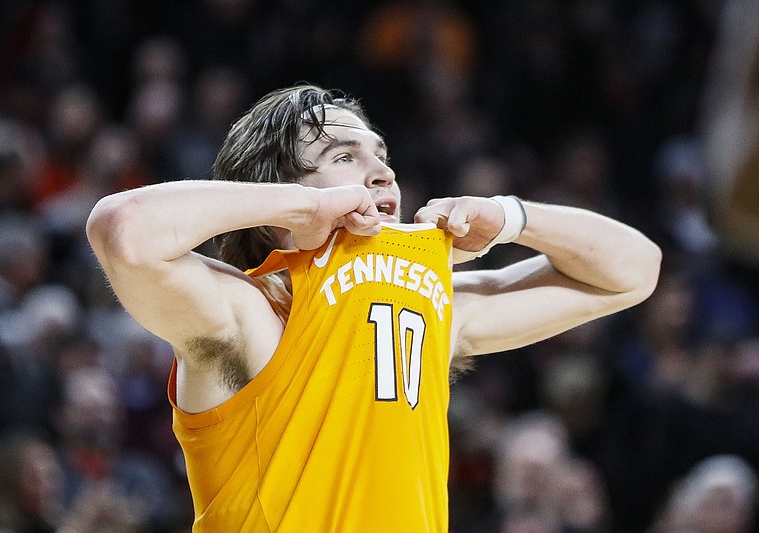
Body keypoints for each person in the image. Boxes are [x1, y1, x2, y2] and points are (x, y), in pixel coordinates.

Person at [85, 84, 661, 532]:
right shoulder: (249, 313)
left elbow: (634, 272)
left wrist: (509, 218)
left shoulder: (436, 309)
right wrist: (304, 209)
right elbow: (122, 231)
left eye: (380, 154)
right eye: (343, 155)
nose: (381, 170)